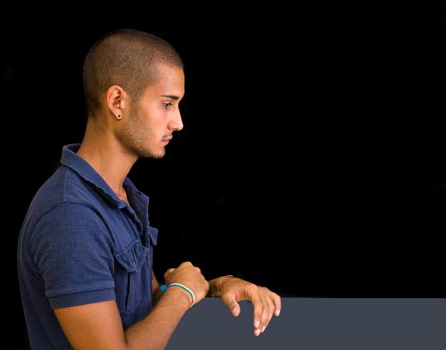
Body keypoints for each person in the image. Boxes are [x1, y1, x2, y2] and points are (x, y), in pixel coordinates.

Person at [17, 28, 281, 349]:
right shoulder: (70, 215)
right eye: (167, 104)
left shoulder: (118, 199)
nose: (178, 122)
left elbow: (152, 312)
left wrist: (218, 286)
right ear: (117, 101)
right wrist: (183, 293)